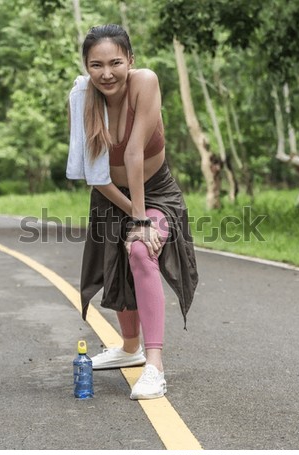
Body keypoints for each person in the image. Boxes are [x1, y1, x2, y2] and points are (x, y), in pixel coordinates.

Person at [68, 24, 198, 400]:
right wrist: (130, 213)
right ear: (86, 66)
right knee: (117, 263)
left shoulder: (146, 82)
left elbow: (133, 153)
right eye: (96, 65)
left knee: (141, 250)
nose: (106, 73)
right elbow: (94, 174)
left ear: (131, 60)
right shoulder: (81, 97)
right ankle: (129, 348)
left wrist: (141, 220)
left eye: (115, 62)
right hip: (109, 195)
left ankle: (154, 365)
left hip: (156, 189)